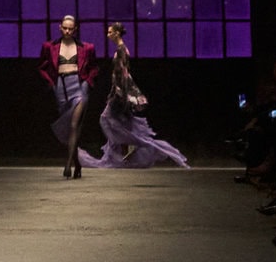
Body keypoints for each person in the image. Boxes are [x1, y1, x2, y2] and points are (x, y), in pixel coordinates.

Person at [80, 22, 188, 170]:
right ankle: (124, 155)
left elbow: (123, 75)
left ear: (117, 33)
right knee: (121, 124)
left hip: (120, 93)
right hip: (119, 91)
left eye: (110, 32)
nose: (108, 34)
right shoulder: (121, 49)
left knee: (106, 119)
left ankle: (134, 146)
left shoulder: (122, 50)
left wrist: (121, 94)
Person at [37, 14, 100, 178]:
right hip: (60, 87)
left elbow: (94, 68)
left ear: (75, 30)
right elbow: (42, 67)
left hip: (79, 86)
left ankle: (68, 165)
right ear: (60, 27)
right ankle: (77, 164)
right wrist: (51, 83)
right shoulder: (49, 46)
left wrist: (87, 82)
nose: (67, 31)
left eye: (70, 29)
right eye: (64, 28)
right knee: (68, 129)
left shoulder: (86, 48)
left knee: (73, 125)